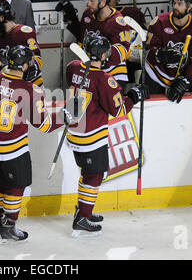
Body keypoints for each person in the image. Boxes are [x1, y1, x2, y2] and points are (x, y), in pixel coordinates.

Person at [0, 45, 68, 243]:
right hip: (12, 148)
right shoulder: (30, 90)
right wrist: (63, 118)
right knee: (17, 186)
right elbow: (45, 125)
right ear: (24, 66)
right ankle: (9, 225)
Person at [65, 35, 149, 237]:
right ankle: (83, 218)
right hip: (91, 136)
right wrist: (133, 96)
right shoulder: (104, 79)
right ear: (103, 56)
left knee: (87, 174)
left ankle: (83, 210)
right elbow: (118, 110)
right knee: (95, 176)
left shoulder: (73, 67)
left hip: (75, 132)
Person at [56, 0, 131, 88]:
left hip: (113, 75)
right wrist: (71, 17)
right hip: (91, 71)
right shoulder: (88, 14)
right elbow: (82, 36)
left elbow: (122, 50)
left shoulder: (117, 22)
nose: (88, 4)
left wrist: (99, 54)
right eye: (88, 0)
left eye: (92, 1)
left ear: (103, 1)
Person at [145, 0, 192, 103]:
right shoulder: (159, 22)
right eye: (174, 3)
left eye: (180, 4)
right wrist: (159, 55)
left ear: (190, 7)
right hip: (155, 75)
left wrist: (186, 79)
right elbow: (147, 52)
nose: (175, 6)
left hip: (182, 76)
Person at [0, 0, 43, 87]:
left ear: (2, 18)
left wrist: (14, 70)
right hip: (10, 86)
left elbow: (37, 62)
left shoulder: (24, 33)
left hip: (31, 85)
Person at [108, 0, 147, 86]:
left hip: (130, 60)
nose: (107, 1)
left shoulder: (132, 13)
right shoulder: (97, 17)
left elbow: (144, 36)